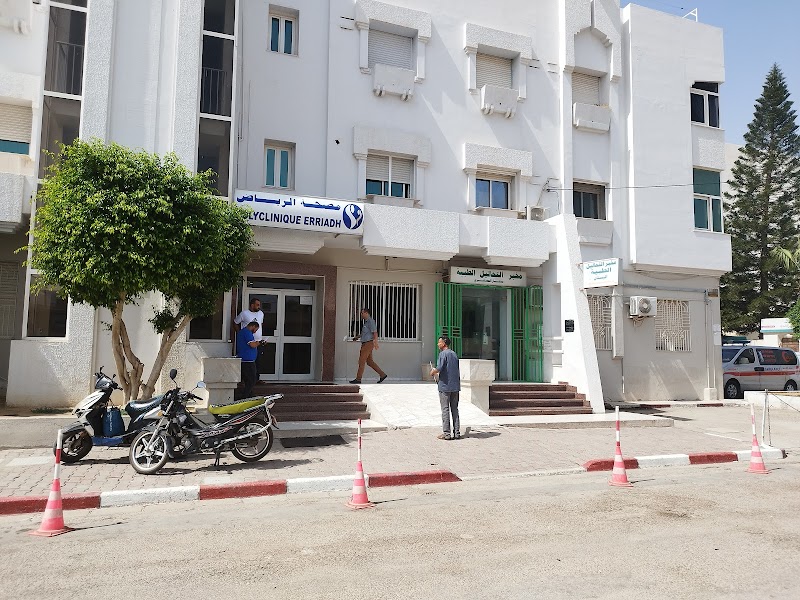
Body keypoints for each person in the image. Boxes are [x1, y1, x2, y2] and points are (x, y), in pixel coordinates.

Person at [430, 336, 460, 440]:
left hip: (445, 386)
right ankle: (457, 433)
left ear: (444, 343)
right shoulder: (454, 354)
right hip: (455, 386)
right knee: (455, 409)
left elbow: (439, 368)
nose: (438, 344)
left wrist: (432, 372)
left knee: (445, 409)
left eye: (439, 342)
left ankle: (447, 434)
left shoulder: (443, 354)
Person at [350, 308, 387, 384]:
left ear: (366, 313)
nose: (361, 314)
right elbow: (365, 333)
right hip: (365, 343)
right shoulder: (366, 322)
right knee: (369, 362)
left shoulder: (371, 321)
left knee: (361, 361)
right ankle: (382, 374)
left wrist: (376, 343)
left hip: (368, 344)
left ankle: (358, 379)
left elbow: (375, 332)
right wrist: (357, 337)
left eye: (362, 313)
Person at [234, 297, 266, 373]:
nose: (259, 307)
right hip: (248, 342)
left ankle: (256, 378)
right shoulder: (244, 313)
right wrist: (240, 333)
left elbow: (260, 324)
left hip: (258, 342)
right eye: (257, 305)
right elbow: (235, 322)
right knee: (248, 363)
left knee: (258, 362)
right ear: (252, 305)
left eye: (259, 305)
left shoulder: (261, 313)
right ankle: (246, 378)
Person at [236, 320, 261, 399]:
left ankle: (250, 394)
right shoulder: (247, 332)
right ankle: (245, 396)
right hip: (247, 361)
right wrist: (260, 342)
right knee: (252, 379)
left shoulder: (242, 332)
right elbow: (252, 345)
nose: (255, 332)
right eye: (256, 329)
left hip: (245, 360)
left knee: (248, 379)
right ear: (253, 326)